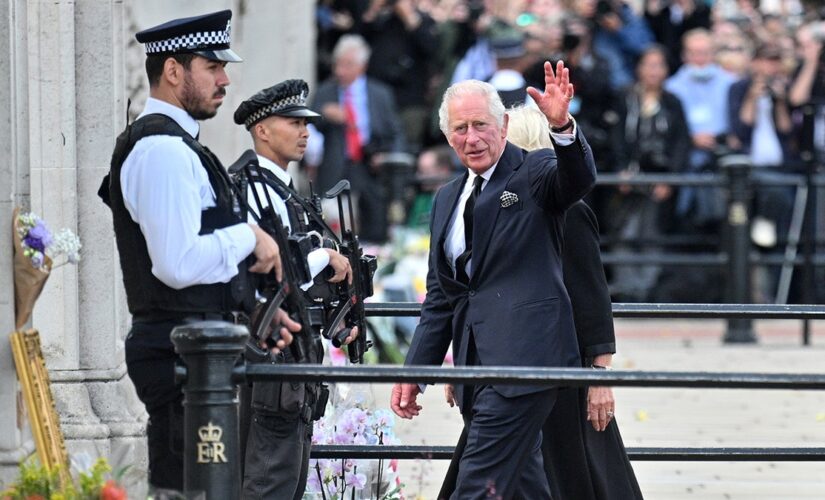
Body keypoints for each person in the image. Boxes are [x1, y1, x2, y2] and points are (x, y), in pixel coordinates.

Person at [99, 10, 299, 495]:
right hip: (177, 354)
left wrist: (255, 310)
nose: (225, 79)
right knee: (191, 487)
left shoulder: (178, 146)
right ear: (173, 71)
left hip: (191, 351)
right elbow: (177, 263)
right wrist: (250, 237)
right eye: (212, 66)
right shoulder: (162, 150)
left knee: (200, 487)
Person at [389, 62, 597, 499]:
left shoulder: (534, 172)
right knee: (523, 487)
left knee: (476, 485)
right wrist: (415, 372)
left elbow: (576, 179)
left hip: (525, 363)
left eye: (481, 124)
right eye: (460, 128)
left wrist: (562, 127)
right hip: (474, 367)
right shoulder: (447, 198)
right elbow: (441, 299)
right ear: (448, 138)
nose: (472, 137)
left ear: (503, 125)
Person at [438, 104, 643, 499]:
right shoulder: (492, 205)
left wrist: (599, 376)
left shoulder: (568, 210)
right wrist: (461, 361)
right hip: (503, 363)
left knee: (566, 474)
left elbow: (591, 295)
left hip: (561, 366)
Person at [232, 79, 359, 500]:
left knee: (288, 479)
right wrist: (327, 258)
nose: (305, 132)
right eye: (293, 123)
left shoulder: (282, 189)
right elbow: (270, 272)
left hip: (295, 358)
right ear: (262, 130)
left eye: (306, 123)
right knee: (269, 481)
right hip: (273, 358)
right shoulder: (251, 186)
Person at [608, 45, 691, 302]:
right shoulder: (625, 98)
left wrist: (671, 179)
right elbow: (616, 137)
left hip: (660, 177)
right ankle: (626, 288)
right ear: (639, 68)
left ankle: (647, 289)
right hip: (629, 175)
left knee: (652, 233)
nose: (654, 71)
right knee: (625, 231)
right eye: (649, 64)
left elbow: (680, 143)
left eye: (659, 65)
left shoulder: (672, 102)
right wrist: (619, 171)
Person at [308, 34, 406, 243]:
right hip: (336, 163)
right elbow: (309, 121)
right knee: (332, 223)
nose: (340, 71)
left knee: (374, 218)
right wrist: (326, 114)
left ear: (362, 66)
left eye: (347, 65)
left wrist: (387, 157)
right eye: (338, 65)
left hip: (368, 163)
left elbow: (395, 132)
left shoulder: (380, 93)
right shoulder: (326, 91)